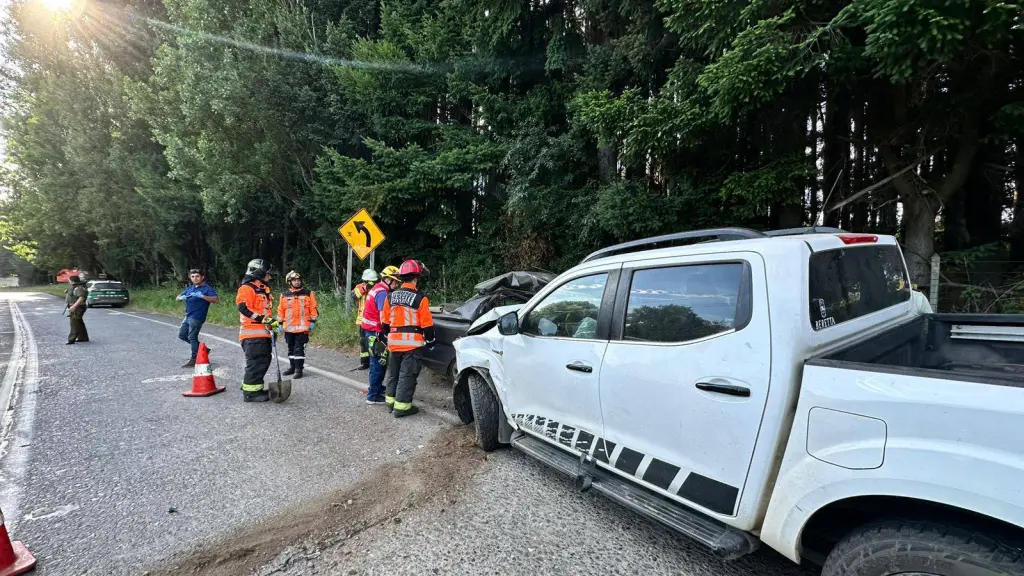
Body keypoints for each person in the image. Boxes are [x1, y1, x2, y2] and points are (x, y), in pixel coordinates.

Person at [380, 259, 435, 417]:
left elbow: (384, 322)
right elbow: (427, 325)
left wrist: (389, 336)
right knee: (407, 376)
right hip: (411, 345)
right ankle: (402, 408)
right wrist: (431, 341)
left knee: (393, 374)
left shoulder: (390, 297)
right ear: (416, 278)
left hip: (393, 343)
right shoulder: (420, 298)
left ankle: (390, 403)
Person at [235, 259, 279, 403]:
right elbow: (243, 308)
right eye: (267, 274)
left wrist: (272, 325)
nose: (270, 277)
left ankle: (255, 388)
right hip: (252, 334)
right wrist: (263, 319)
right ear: (259, 273)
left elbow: (265, 312)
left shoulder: (262, 289)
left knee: (263, 360)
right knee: (256, 362)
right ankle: (250, 393)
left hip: (261, 333)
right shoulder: (247, 288)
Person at [361, 265, 401, 404]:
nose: (396, 284)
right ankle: (373, 396)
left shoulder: (377, 288)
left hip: (371, 331)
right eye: (395, 281)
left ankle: (376, 387)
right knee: (378, 363)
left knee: (376, 362)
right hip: (376, 333)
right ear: (387, 279)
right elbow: (384, 315)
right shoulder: (383, 293)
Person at [278, 270, 318, 379]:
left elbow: (313, 308)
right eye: (294, 280)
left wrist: (313, 321)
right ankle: (292, 367)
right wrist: (280, 323)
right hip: (289, 328)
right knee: (291, 349)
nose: (297, 282)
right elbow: (281, 310)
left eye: (298, 280)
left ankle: (298, 369)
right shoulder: (284, 295)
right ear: (289, 282)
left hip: (303, 328)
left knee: (299, 349)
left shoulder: (308, 293)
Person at [176, 269, 220, 368]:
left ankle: (194, 359)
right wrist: (181, 297)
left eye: (197, 276)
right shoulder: (190, 288)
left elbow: (216, 300)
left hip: (197, 316)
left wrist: (202, 296)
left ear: (202, 277)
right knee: (182, 335)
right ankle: (204, 350)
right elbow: (177, 297)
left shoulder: (207, 288)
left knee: (192, 337)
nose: (195, 278)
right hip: (188, 315)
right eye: (193, 276)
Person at [352, 269, 379, 370]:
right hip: (362, 320)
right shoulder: (360, 286)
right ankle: (364, 362)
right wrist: (365, 288)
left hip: (374, 320)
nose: (371, 283)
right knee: (363, 342)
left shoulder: (378, 288)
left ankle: (375, 360)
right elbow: (353, 295)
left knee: (374, 342)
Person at [65, 275, 89, 345]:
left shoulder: (79, 287)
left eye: (69, 279)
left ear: (71, 280)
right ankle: (83, 337)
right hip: (76, 306)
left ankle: (71, 339)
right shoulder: (75, 286)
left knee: (74, 322)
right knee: (78, 321)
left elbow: (81, 298)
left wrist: (74, 306)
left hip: (78, 307)